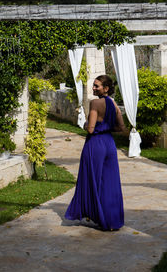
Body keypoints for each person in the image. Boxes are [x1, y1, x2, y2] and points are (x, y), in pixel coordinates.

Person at [65, 75, 125, 231]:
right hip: (109, 144)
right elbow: (121, 128)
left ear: (105, 89)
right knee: (109, 182)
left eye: (96, 86)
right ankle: (112, 221)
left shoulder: (95, 103)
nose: (93, 88)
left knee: (91, 179)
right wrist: (106, 128)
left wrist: (85, 123)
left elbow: (90, 128)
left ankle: (95, 214)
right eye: (93, 85)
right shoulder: (114, 105)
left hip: (95, 143)